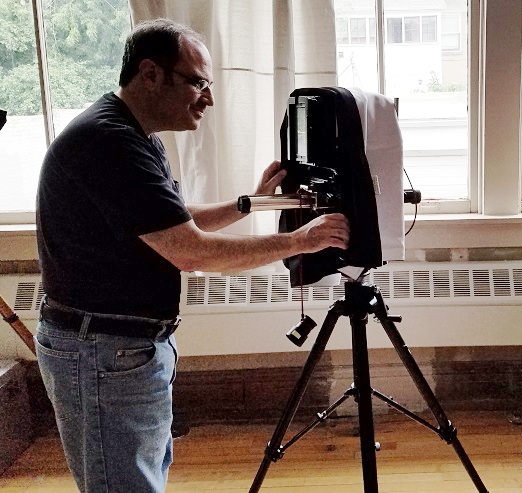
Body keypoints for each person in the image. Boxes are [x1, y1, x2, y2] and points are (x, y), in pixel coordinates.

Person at [34, 19, 349, 493]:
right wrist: (301, 241)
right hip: (103, 350)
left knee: (140, 479)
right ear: (150, 73)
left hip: (120, 347)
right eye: (198, 82)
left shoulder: (135, 135)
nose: (209, 98)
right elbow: (191, 251)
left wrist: (252, 203)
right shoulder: (109, 142)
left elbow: (176, 217)